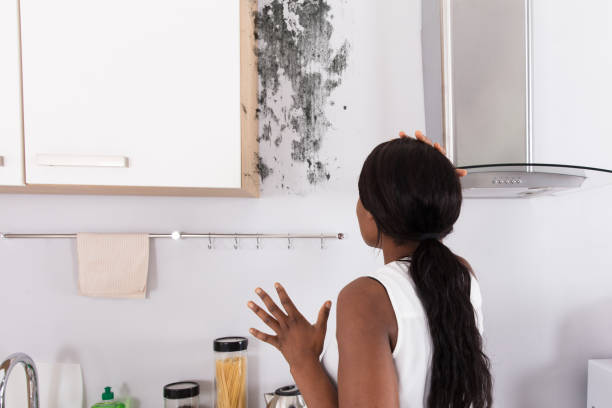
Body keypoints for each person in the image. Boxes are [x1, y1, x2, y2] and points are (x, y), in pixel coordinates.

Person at [247, 131, 493, 408]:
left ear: (374, 213)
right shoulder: (462, 276)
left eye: (361, 196)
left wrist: (302, 360)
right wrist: (435, 185)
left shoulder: (366, 298)